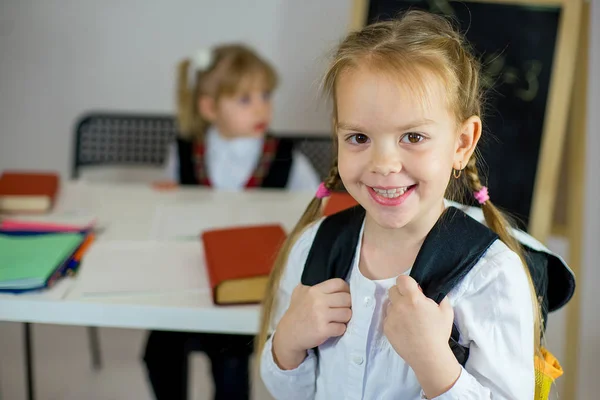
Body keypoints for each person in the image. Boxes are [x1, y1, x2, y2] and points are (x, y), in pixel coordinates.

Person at [256, 10, 556, 399]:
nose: (383, 164)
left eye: (413, 137)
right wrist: (288, 343)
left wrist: (434, 363)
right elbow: (290, 391)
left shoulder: (491, 277)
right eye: (359, 138)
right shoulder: (314, 247)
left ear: (462, 143)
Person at [144, 43, 320, 400]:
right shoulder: (184, 151)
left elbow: (311, 209)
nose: (262, 107)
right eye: (245, 100)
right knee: (158, 353)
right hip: (186, 279)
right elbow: (173, 198)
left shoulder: (287, 159)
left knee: (231, 363)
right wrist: (168, 190)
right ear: (209, 108)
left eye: (265, 95)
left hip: (246, 283)